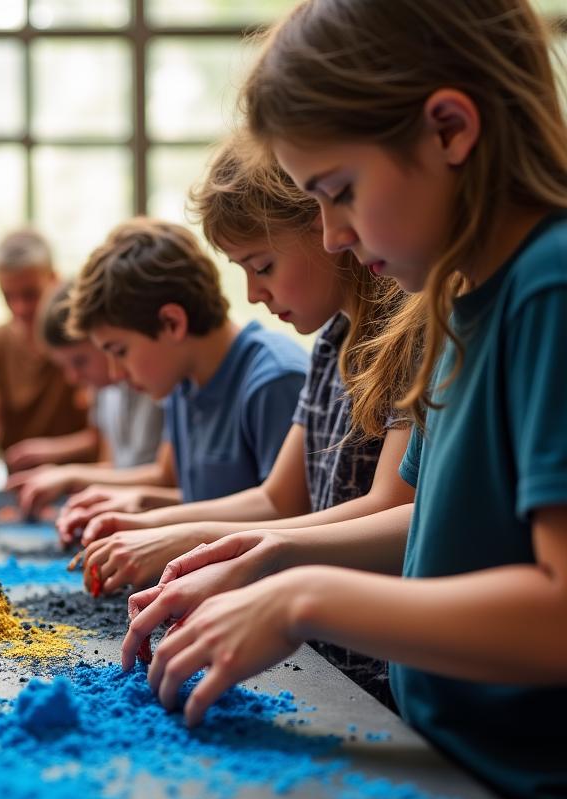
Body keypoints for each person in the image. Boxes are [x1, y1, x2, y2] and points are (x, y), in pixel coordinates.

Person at [127, 0, 567, 799]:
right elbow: (427, 520)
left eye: (341, 193)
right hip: (445, 762)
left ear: (448, 129)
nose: (331, 238)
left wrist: (301, 598)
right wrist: (269, 552)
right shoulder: (457, 300)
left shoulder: (548, 289)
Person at [72, 136, 418, 705]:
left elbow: (390, 508)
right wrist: (165, 528)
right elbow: (279, 497)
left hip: (375, 665)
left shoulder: (400, 332)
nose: (254, 294)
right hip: (329, 653)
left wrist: (197, 539)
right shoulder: (333, 340)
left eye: (263, 266)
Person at [63, 217, 309, 529]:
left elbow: (287, 517)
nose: (116, 374)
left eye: (120, 351)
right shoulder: (181, 381)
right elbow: (206, 500)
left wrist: (153, 523)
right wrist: (140, 503)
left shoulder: (275, 380)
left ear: (172, 323)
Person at [0, 230, 94, 492]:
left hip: (83, 486)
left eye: (30, 294)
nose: (20, 307)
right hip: (20, 487)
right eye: (8, 296)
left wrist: (52, 453)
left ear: (54, 280)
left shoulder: (83, 341)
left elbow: (102, 436)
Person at [6, 279, 165, 519]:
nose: (73, 377)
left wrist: (71, 474)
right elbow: (117, 468)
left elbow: (166, 477)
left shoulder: (158, 383)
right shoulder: (106, 393)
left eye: (80, 362)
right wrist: (64, 477)